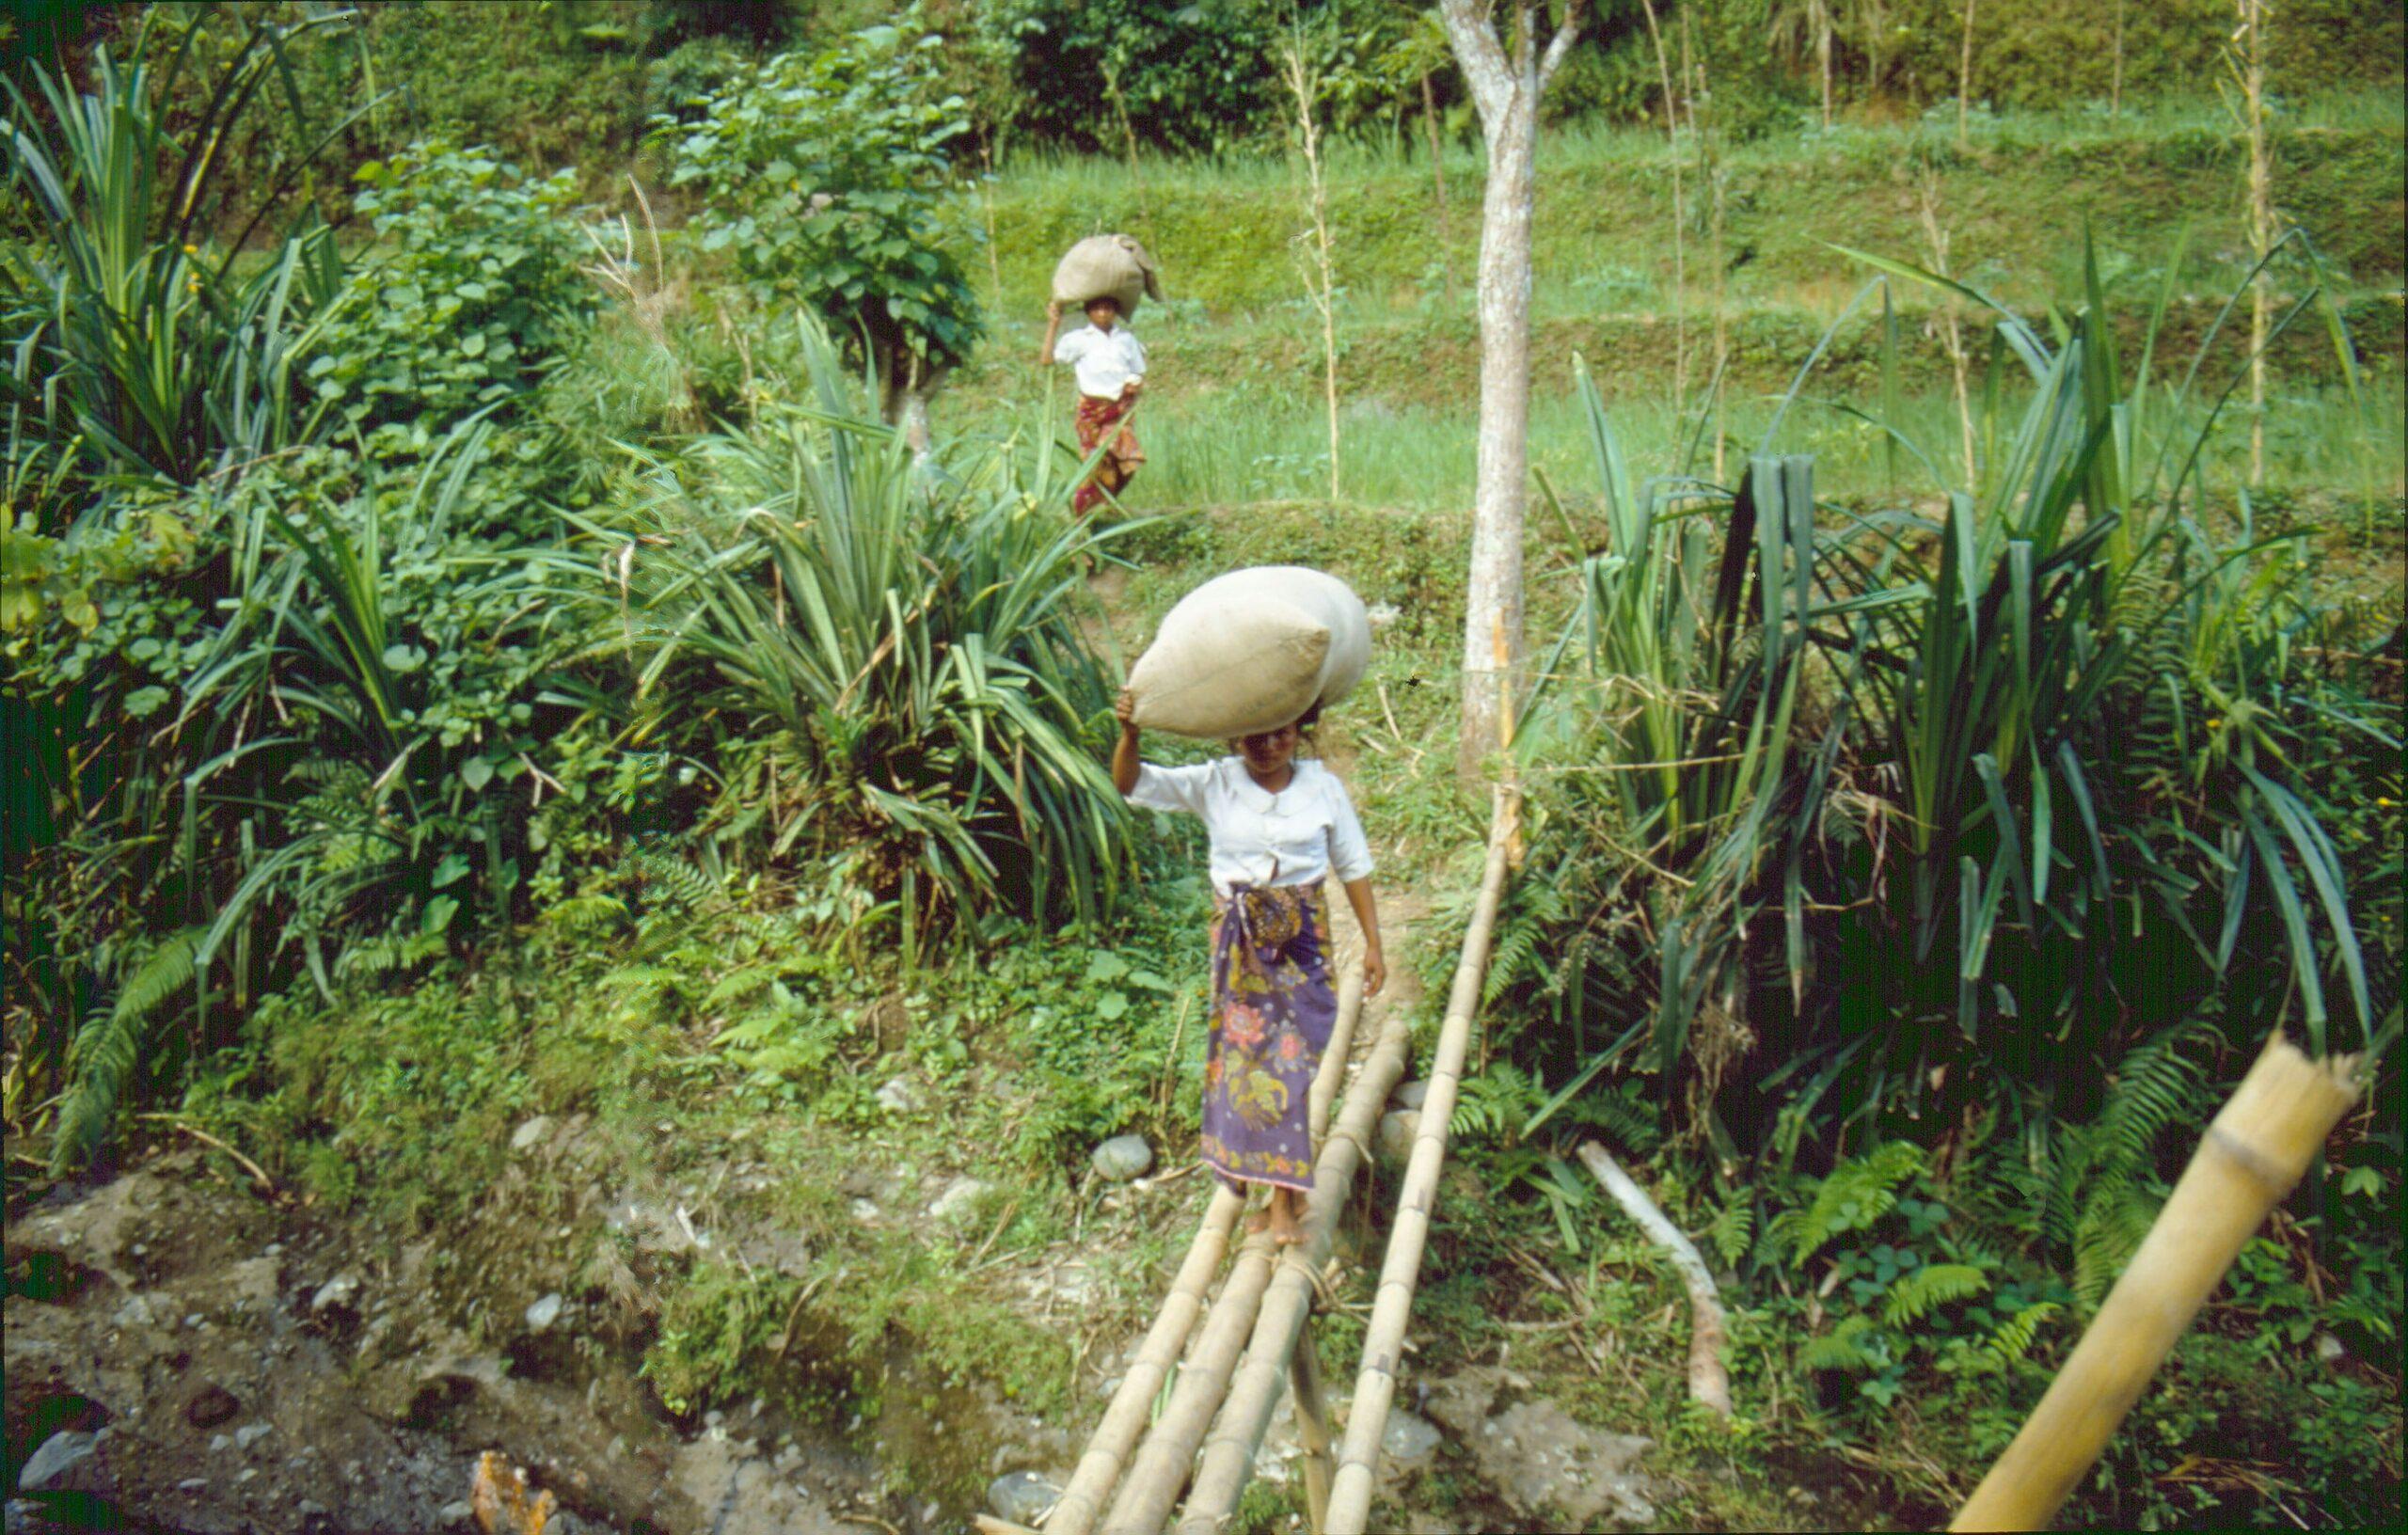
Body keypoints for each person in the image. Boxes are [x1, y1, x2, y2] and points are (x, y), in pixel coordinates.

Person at [1111, 688, 1386, 1246]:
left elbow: (1353, 865)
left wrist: (1374, 943)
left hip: (1303, 941)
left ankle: (1284, 1196)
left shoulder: (1323, 788)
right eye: (1256, 736)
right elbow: (1130, 783)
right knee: (1247, 1064)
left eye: (1282, 733)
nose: (1270, 746)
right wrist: (1131, 735)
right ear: (1236, 738)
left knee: (1293, 1060)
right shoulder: (1215, 782)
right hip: (1238, 945)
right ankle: (1281, 1198)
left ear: (1299, 733)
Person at [1039, 294, 1146, 515]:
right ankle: (1082, 514)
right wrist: (1053, 324)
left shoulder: (1125, 339)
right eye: (1097, 309)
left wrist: (1135, 386)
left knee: (1128, 462)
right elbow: (1047, 359)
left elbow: (1138, 370)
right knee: (1096, 463)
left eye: (1108, 309)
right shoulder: (1078, 339)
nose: (1103, 313)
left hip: (1120, 410)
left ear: (1115, 312)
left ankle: (1104, 505)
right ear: (1089, 312)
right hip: (1092, 411)